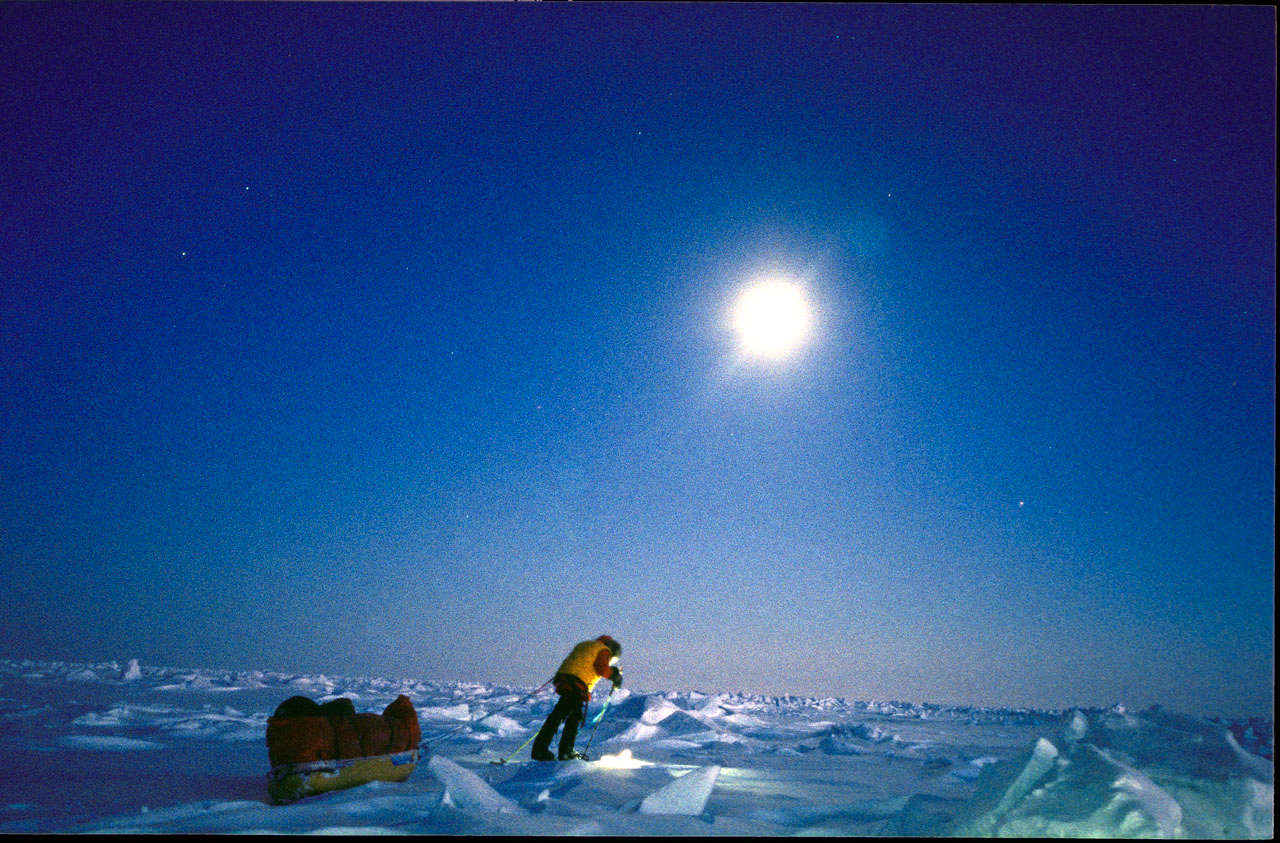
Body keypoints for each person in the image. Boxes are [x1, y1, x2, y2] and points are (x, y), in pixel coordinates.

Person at [530, 635, 622, 761]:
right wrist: (615, 675)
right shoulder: (604, 650)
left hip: (564, 679)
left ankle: (542, 749)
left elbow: (579, 664)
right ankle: (564, 751)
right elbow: (601, 668)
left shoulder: (586, 645)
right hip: (577, 684)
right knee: (573, 717)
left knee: (559, 715)